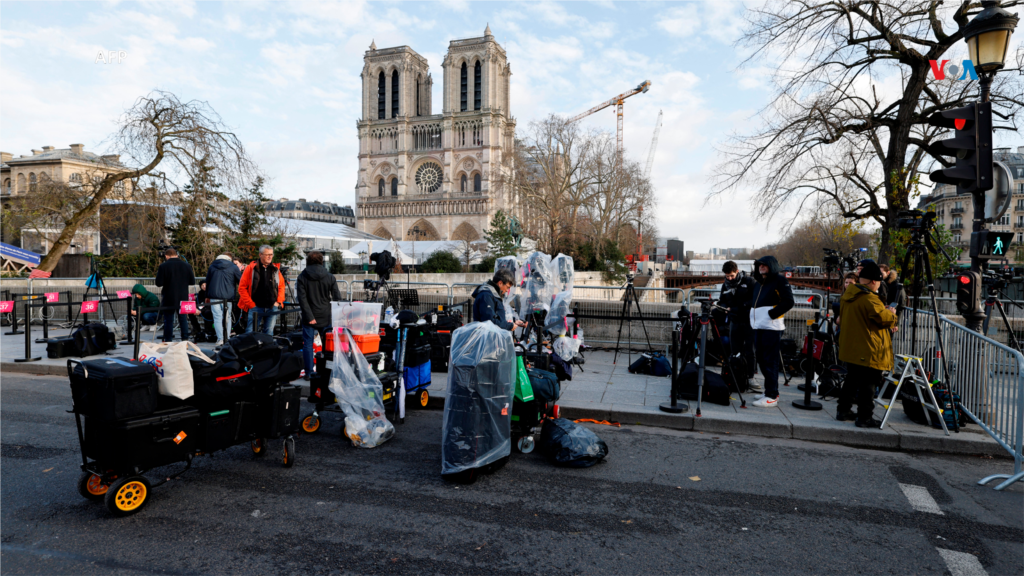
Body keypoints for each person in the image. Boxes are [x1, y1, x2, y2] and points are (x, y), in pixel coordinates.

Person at [837, 260, 898, 428]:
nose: (878, 286)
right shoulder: (870, 298)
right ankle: (865, 417)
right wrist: (892, 314)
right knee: (869, 383)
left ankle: (843, 411)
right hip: (868, 348)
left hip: (852, 346)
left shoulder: (848, 295)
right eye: (878, 282)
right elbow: (883, 319)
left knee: (851, 380)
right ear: (873, 281)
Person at [749, 255, 794, 408]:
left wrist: (772, 314)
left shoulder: (780, 280)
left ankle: (772, 395)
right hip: (759, 326)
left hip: (771, 327)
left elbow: (789, 301)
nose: (761, 267)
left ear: (771, 266)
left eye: (764, 265)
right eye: (759, 265)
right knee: (761, 360)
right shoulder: (759, 283)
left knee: (770, 361)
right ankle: (769, 390)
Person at [296, 251, 343, 380]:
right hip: (326, 315)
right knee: (328, 345)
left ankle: (309, 372)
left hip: (309, 316)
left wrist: (310, 316)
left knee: (308, 344)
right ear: (321, 261)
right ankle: (327, 370)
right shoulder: (330, 277)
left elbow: (302, 299)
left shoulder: (302, 277)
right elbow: (337, 298)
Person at [719, 260, 757, 388]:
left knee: (750, 351)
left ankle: (750, 377)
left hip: (749, 321)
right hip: (734, 321)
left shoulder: (749, 282)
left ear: (737, 271)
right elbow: (722, 301)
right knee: (735, 350)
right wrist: (724, 307)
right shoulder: (725, 285)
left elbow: (755, 299)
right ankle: (735, 375)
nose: (729, 278)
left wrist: (738, 307)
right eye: (727, 276)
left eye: (731, 276)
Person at [238, 245, 286, 335]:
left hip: (272, 306)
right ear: (260, 255)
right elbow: (242, 288)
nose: (270, 256)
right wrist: (250, 304)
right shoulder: (250, 268)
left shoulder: (275, 269)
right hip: (255, 306)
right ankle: (250, 349)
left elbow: (281, 286)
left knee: (269, 332)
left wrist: (279, 302)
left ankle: (266, 349)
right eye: (267, 254)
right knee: (250, 333)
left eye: (271, 254)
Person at [154, 248, 196, 342]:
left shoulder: (163, 266)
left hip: (169, 296)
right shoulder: (186, 265)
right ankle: (185, 338)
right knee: (183, 319)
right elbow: (192, 281)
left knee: (168, 320)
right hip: (183, 296)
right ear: (177, 255)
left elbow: (158, 283)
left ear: (166, 256)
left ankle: (168, 339)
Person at [205, 252, 242, 346]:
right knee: (227, 317)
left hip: (214, 296)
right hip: (228, 296)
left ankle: (220, 339)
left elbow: (207, 282)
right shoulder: (233, 267)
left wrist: (207, 296)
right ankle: (227, 338)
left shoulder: (212, 266)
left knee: (217, 317)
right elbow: (240, 281)